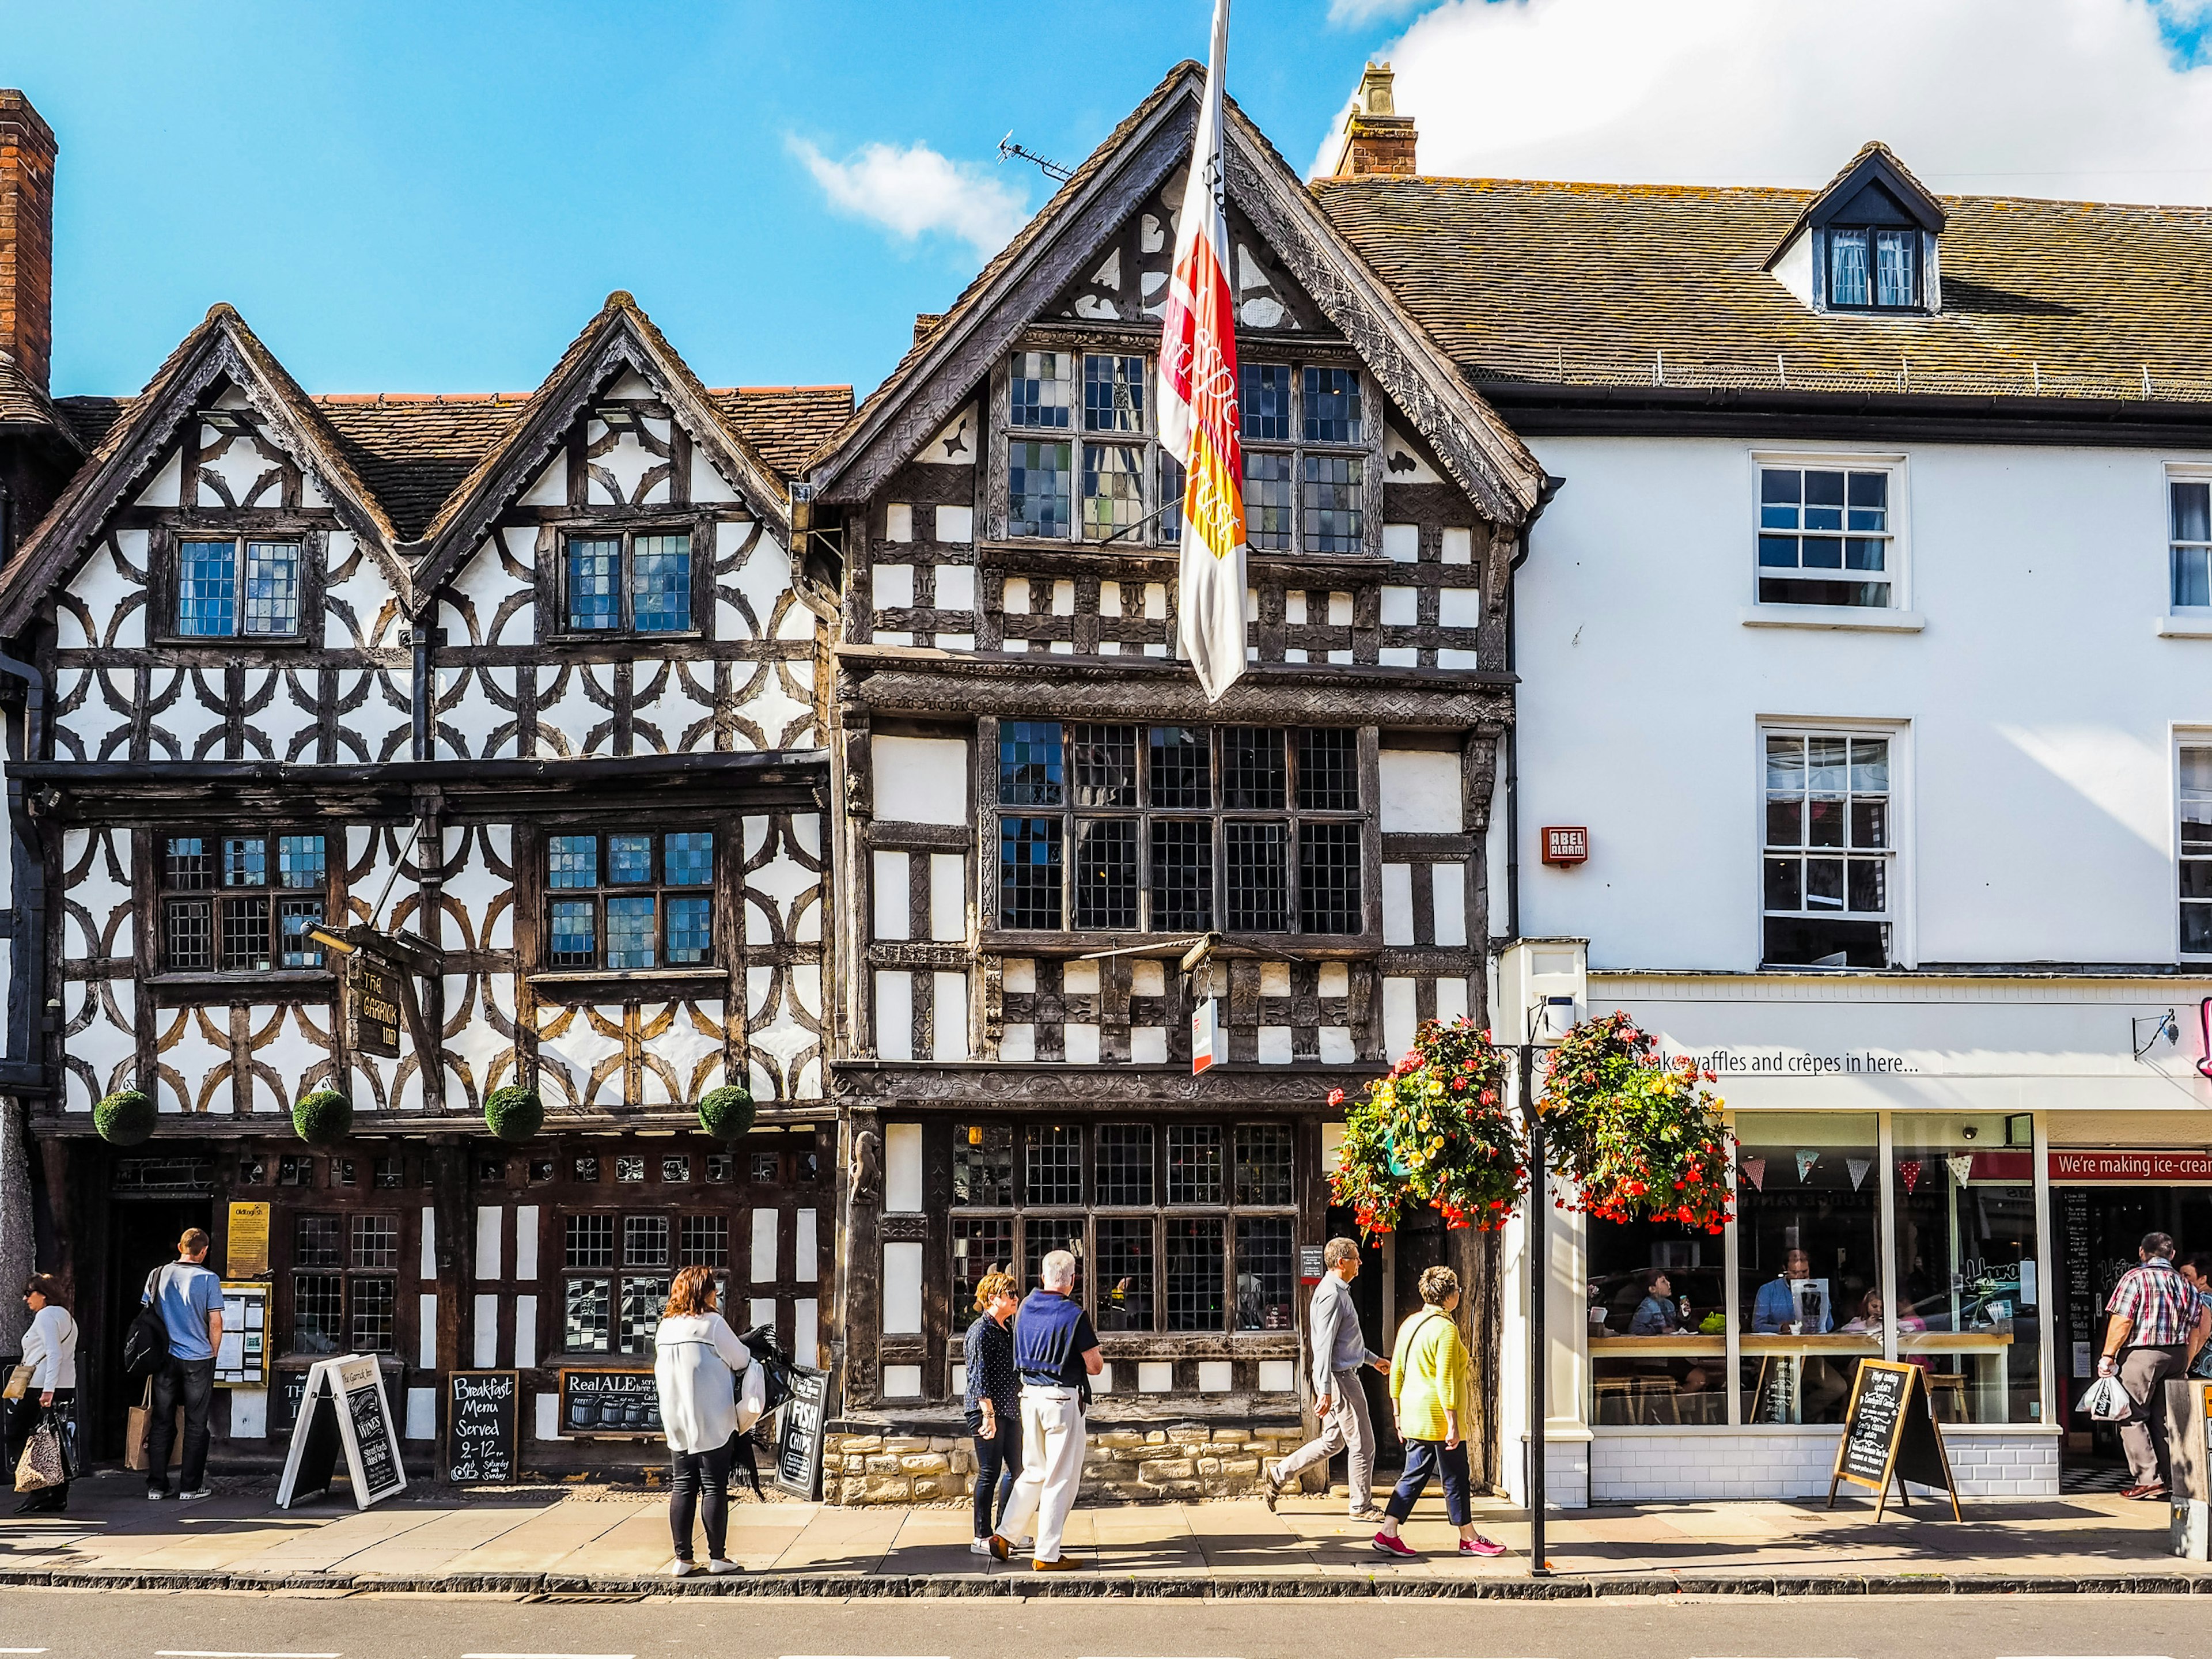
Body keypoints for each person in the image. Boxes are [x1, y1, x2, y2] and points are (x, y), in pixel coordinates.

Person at [1372, 1266, 1505, 1559]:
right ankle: (1469, 1538)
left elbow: (1397, 1369)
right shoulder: (1445, 1329)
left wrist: (1396, 1412)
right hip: (1438, 1416)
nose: (1459, 1294)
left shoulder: (1410, 1323)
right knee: (1456, 1475)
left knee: (1415, 1473)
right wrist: (1453, 1423)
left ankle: (1388, 1530)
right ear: (1450, 1296)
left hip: (1412, 1412)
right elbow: (1445, 1379)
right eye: (1457, 1290)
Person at [984, 1249, 1101, 1571]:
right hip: (1061, 1400)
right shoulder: (1074, 1314)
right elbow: (1095, 1366)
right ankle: (1047, 1554)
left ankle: (1005, 1535)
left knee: (1033, 1471)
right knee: (1060, 1478)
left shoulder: (1024, 1309)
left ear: (1042, 1278)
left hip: (1029, 1395)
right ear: (1073, 1280)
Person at [1263, 1237, 1389, 1517]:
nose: (1360, 1263)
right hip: (1340, 1378)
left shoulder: (1338, 1291)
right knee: (1363, 1443)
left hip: (1341, 1374)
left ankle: (1279, 1473)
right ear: (1341, 1262)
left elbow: (1346, 1343)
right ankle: (1361, 1505)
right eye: (1356, 1258)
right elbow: (1323, 1345)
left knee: (1333, 1441)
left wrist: (1373, 1360)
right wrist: (1325, 1389)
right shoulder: (1332, 1294)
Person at [652, 1264, 749, 1577]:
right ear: (703, 1292)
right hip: (712, 1419)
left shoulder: (666, 1327)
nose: (716, 1294)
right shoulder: (712, 1325)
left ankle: (682, 1558)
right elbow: (742, 1359)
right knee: (714, 1487)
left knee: (682, 1485)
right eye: (713, 1289)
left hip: (676, 1418)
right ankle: (717, 1558)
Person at [2101, 1230, 2196, 1499]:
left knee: (2130, 1414)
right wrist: (2186, 1359)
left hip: (2143, 1354)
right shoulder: (2185, 1284)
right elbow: (2196, 1324)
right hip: (2177, 1355)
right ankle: (2171, 1479)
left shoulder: (2135, 1278)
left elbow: (2123, 1320)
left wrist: (2108, 1355)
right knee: (2164, 1420)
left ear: (2142, 1253)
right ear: (2172, 1255)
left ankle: (2148, 1478)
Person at [142, 1228, 222, 1502]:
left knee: (162, 1420)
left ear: (180, 1246)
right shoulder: (209, 1279)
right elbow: (215, 1321)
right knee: (196, 1423)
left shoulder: (157, 1274)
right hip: (197, 1357)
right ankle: (190, 1486)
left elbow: (146, 1313)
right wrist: (213, 1352)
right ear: (204, 1251)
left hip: (164, 1357)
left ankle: (157, 1486)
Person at [963, 1270, 1024, 1554]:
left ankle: (1005, 1532)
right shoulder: (980, 1330)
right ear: (992, 1298)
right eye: (1009, 1294)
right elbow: (977, 1377)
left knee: (1018, 1470)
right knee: (989, 1471)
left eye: (1015, 1293)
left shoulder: (1005, 1329)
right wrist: (988, 1415)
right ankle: (982, 1536)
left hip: (1009, 1410)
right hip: (986, 1411)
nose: (1015, 1298)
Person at [10, 1275, 77, 1514]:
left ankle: (39, 1489)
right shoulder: (66, 1316)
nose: (25, 1298)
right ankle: (57, 1496)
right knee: (54, 1440)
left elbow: (54, 1353)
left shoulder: (46, 1316)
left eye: (30, 1292)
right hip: (64, 1384)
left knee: (19, 1434)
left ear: (44, 1294)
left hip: (42, 1387)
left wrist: (48, 1390)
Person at [2180, 1252, 2212, 1380]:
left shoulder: (2202, 1299)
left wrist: (2186, 1366)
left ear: (2203, 1279)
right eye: (2180, 1275)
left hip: (2203, 1368)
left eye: (2187, 1276)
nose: (2183, 1280)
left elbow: (2202, 1334)